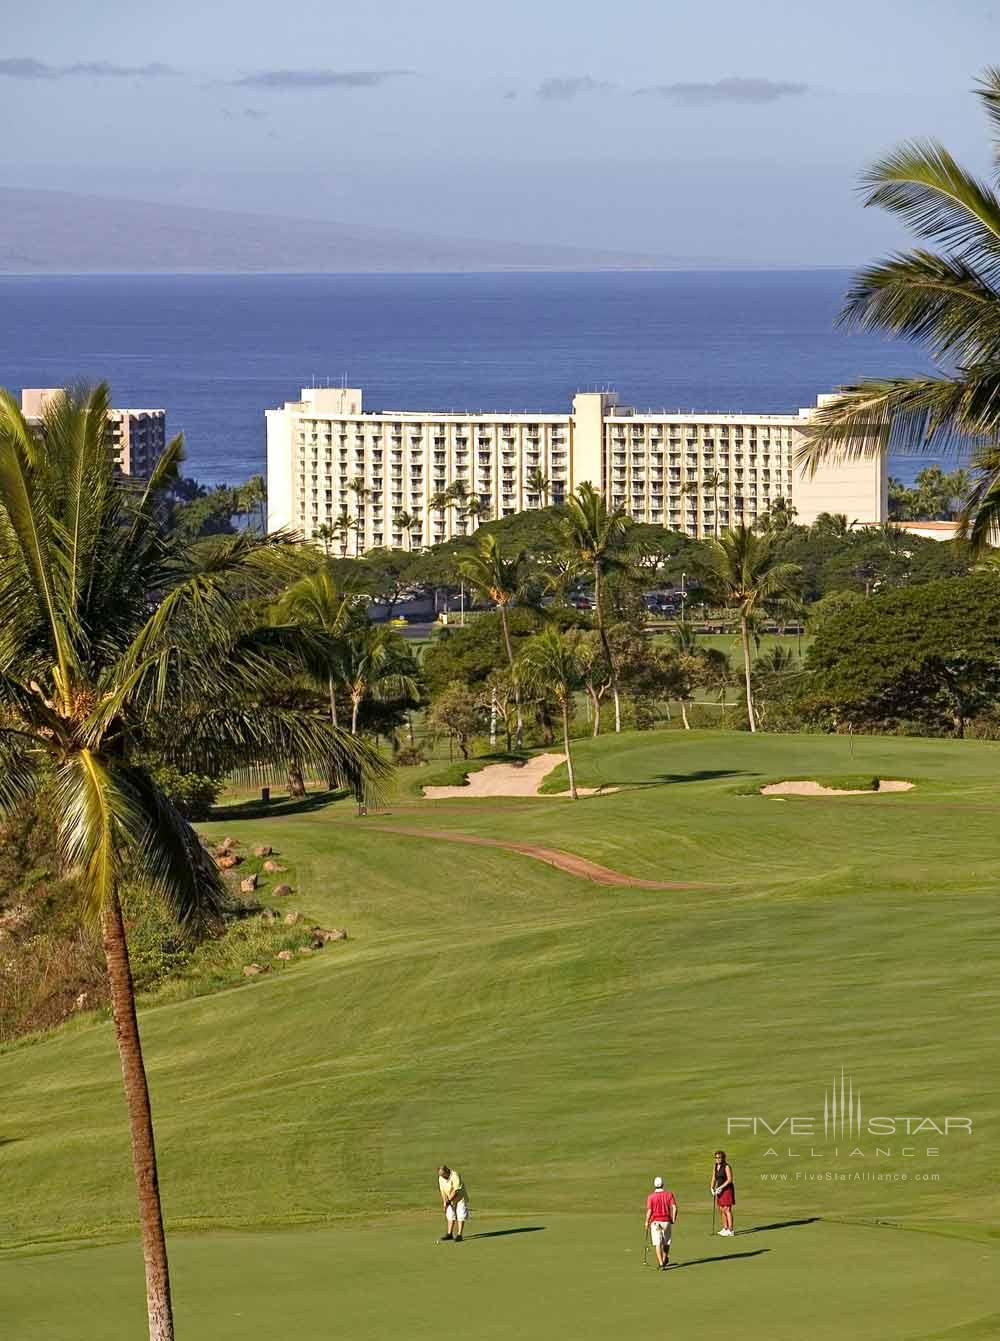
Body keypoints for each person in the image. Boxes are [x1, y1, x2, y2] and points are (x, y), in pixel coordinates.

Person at [644, 1175, 678, 1270]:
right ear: (663, 1184)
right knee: (666, 1242)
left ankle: (661, 1263)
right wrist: (673, 1219)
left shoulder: (651, 1197)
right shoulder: (669, 1194)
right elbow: (674, 1207)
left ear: (654, 1185)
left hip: (655, 1222)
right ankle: (664, 1258)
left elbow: (650, 1211)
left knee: (657, 1243)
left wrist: (646, 1222)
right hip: (666, 1221)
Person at [437, 1164, 469, 1242]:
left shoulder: (455, 1175)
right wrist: (445, 1202)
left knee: (461, 1214)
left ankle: (459, 1235)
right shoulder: (441, 1178)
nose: (442, 1177)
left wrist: (448, 1201)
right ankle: (449, 1234)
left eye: (444, 1175)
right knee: (450, 1214)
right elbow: (443, 1191)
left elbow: (455, 1191)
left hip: (460, 1197)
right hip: (449, 1198)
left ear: (447, 1171)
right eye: (441, 1176)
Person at [711, 1151, 735, 1236]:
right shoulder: (715, 1166)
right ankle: (725, 1228)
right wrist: (712, 1188)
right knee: (721, 1209)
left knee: (727, 1209)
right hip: (719, 1190)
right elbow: (714, 1178)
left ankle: (731, 1230)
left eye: (719, 1157)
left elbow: (729, 1180)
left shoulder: (727, 1166)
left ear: (723, 1158)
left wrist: (720, 1187)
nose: (718, 1159)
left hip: (727, 1189)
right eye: (716, 1158)